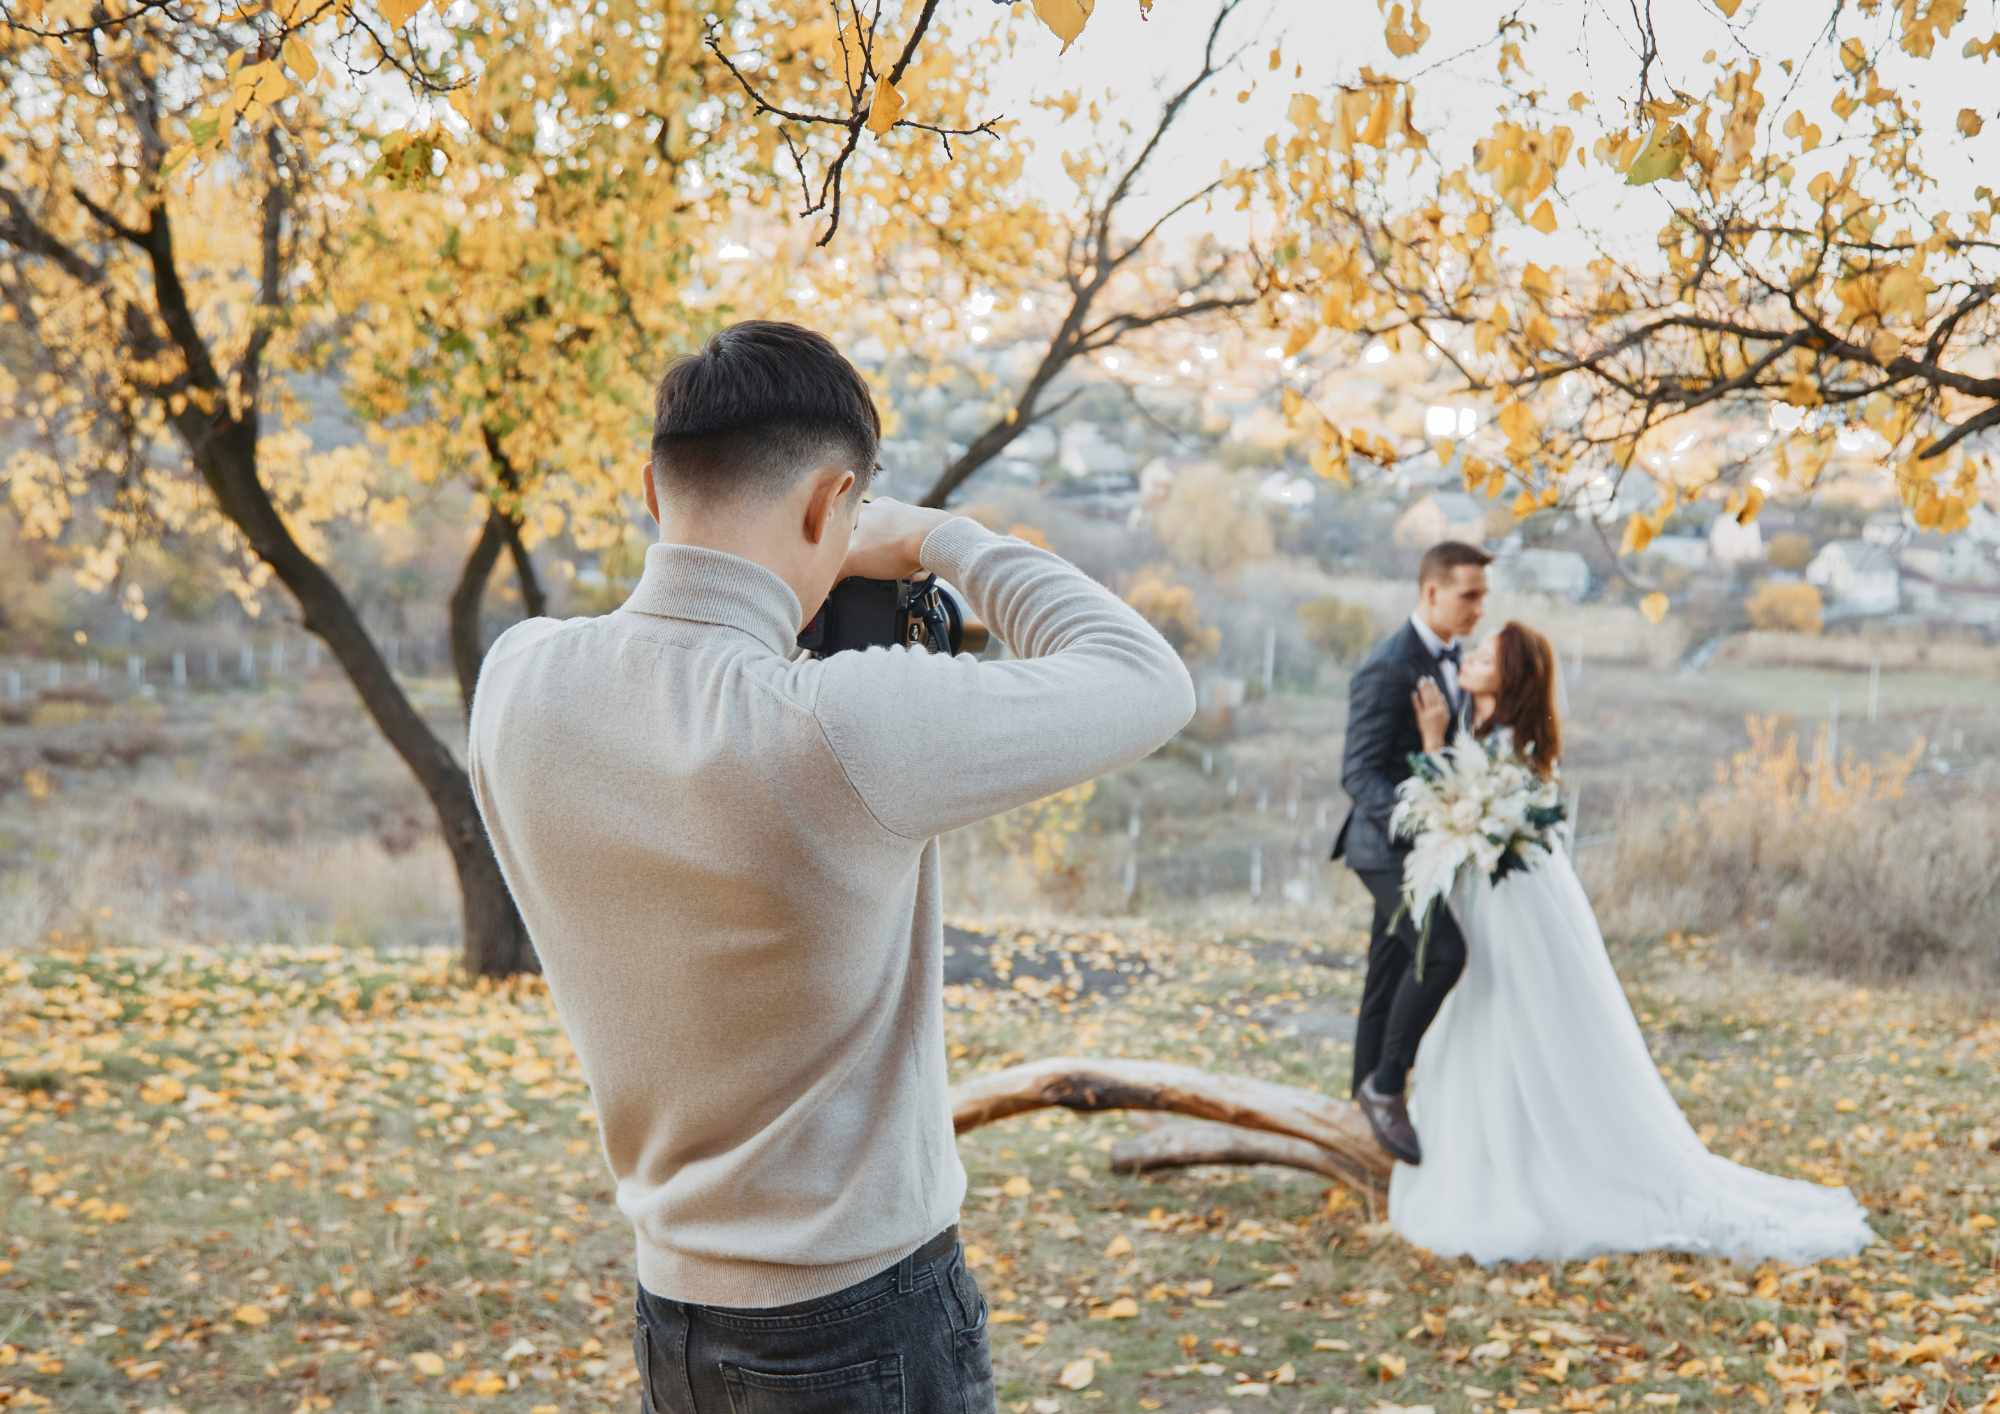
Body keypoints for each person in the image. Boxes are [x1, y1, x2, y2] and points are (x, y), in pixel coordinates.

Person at [466, 321, 1196, 1412]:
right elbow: (1147, 679)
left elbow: (673, 645)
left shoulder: (516, 682)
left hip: (674, 1317)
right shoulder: (840, 726)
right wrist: (943, 538)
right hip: (863, 1315)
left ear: (652, 493)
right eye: (846, 514)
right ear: (830, 505)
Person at [1388, 621, 1874, 1263]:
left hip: (1515, 905)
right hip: (1490, 900)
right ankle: (1489, 1155)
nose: (1471, 659)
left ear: (1510, 677)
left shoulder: (1511, 743)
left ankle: (1528, 1168)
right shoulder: (1482, 731)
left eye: (1486, 656)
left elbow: (1465, 807)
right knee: (1480, 1019)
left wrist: (1429, 745)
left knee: (1515, 1020)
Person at [1333, 540, 1491, 1165]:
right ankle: (1386, 1085)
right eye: (1469, 595)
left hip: (1425, 849)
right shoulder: (1387, 665)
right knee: (1442, 953)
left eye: (1483, 595)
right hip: (1385, 849)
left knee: (1388, 971)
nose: (1479, 607)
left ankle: (1358, 1106)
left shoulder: (1454, 658)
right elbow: (1358, 773)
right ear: (1432, 592)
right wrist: (1423, 821)